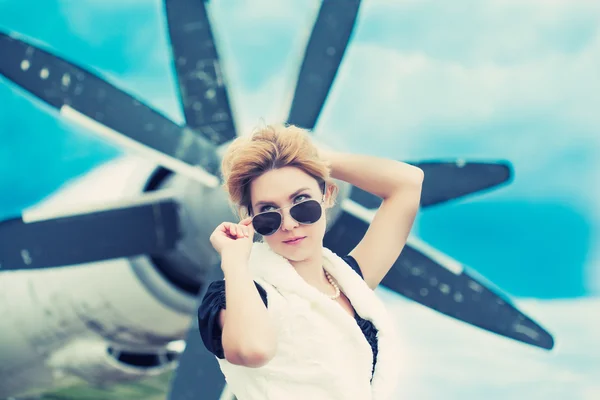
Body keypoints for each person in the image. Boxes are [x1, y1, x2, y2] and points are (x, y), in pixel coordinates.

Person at [198, 124, 423, 400]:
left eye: (302, 201)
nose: (290, 224)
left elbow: (408, 183)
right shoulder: (237, 293)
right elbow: (251, 349)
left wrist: (308, 157)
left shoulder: (350, 282)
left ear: (327, 195)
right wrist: (233, 262)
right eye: (268, 212)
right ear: (250, 219)